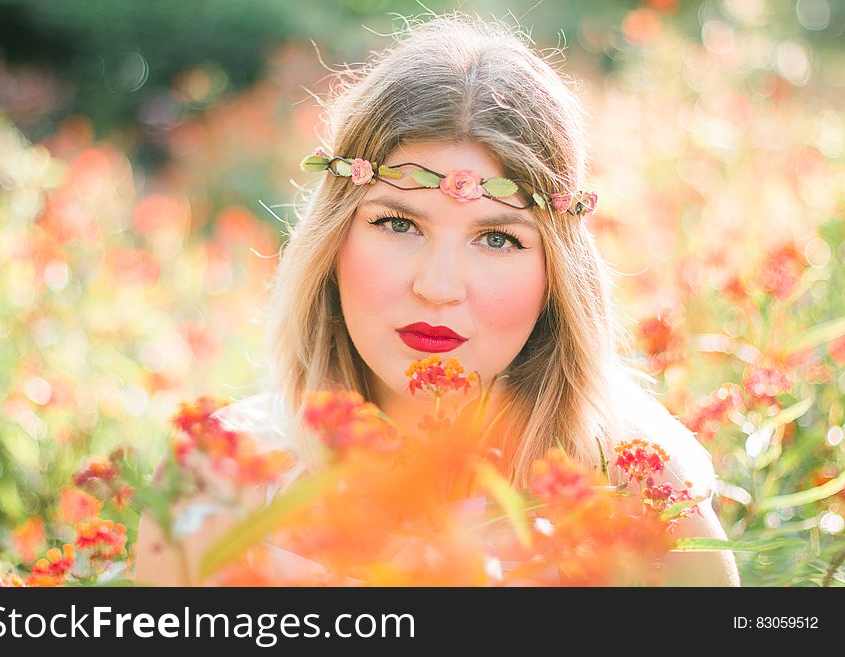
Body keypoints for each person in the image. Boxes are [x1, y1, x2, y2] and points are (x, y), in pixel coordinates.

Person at [134, 13, 740, 586]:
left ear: (557, 274)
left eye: (498, 237)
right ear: (334, 239)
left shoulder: (635, 488)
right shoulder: (216, 482)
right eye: (399, 224)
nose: (439, 285)